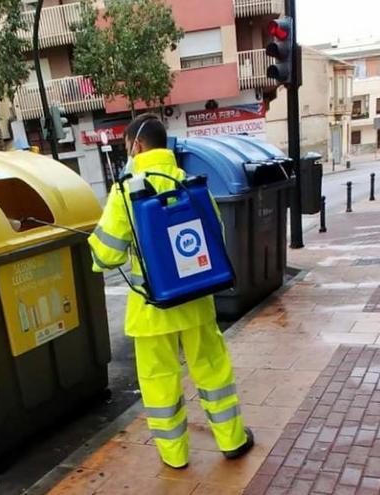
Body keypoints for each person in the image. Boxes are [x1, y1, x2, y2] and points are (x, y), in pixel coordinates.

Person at [88, 113, 254, 469]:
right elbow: (215, 235)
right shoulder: (190, 184)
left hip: (153, 309)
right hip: (196, 300)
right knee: (213, 371)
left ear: (137, 145)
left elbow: (105, 254)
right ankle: (233, 440)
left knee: (159, 382)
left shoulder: (125, 191)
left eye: (126, 147)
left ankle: (175, 457)